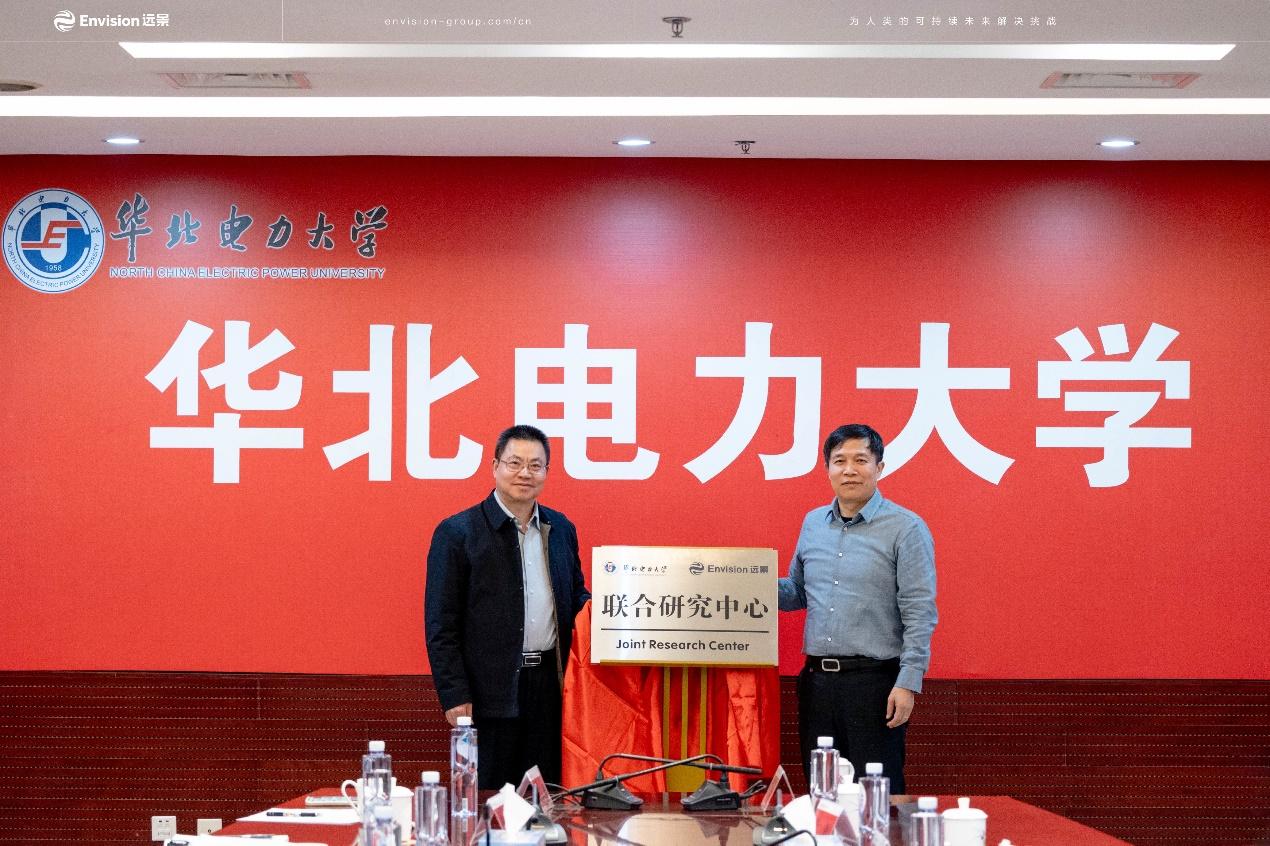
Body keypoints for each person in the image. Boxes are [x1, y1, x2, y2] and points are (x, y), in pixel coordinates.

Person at [425, 424, 590, 788]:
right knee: (491, 796)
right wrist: (454, 694)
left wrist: (615, 611)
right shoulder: (458, 533)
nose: (524, 473)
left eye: (535, 465)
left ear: (546, 472)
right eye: (515, 463)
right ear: (495, 466)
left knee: (547, 796)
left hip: (550, 687)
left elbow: (577, 598)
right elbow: (441, 624)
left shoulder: (561, 529)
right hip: (488, 693)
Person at [778, 423, 936, 793]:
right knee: (823, 792)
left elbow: (919, 610)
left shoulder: (906, 528)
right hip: (817, 684)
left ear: (879, 467)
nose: (849, 470)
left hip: (875, 685)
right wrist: (738, 581)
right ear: (827, 469)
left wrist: (908, 682)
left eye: (861, 460)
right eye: (840, 461)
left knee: (877, 793)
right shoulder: (813, 523)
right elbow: (797, 592)